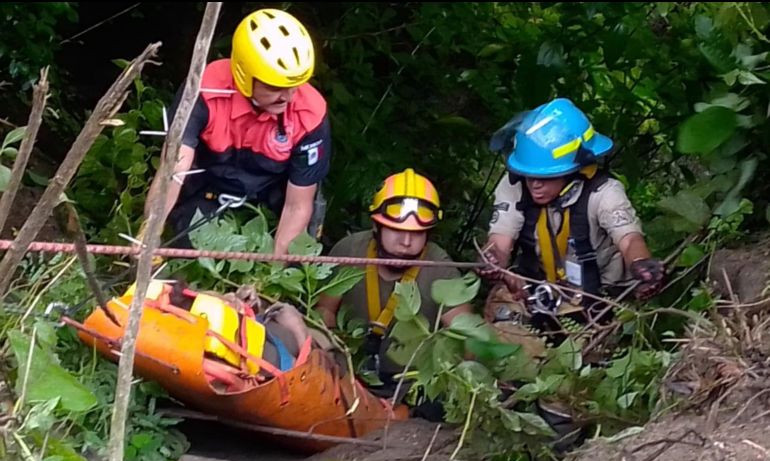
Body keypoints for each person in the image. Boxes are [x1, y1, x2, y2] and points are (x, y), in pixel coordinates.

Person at [142, 8, 330, 254]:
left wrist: (271, 275)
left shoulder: (310, 113)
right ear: (244, 73)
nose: (288, 96)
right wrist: (150, 235)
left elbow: (297, 205)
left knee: (296, 253)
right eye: (275, 86)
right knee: (186, 260)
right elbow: (173, 172)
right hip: (208, 188)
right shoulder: (205, 90)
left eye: (295, 85)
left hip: (273, 201)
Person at [479, 97, 665, 332]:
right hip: (537, 288)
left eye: (546, 177)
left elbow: (629, 239)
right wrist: (492, 259)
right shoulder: (514, 186)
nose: (535, 185)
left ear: (572, 171)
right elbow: (500, 241)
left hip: (601, 296)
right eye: (529, 174)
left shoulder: (604, 193)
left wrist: (641, 264)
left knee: (593, 357)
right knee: (498, 330)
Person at [315, 168, 473, 408]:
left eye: (416, 234)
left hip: (411, 389)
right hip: (349, 375)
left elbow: (467, 337)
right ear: (376, 227)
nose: (406, 242)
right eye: (397, 231)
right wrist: (331, 357)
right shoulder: (350, 251)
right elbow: (323, 311)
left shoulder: (442, 269)